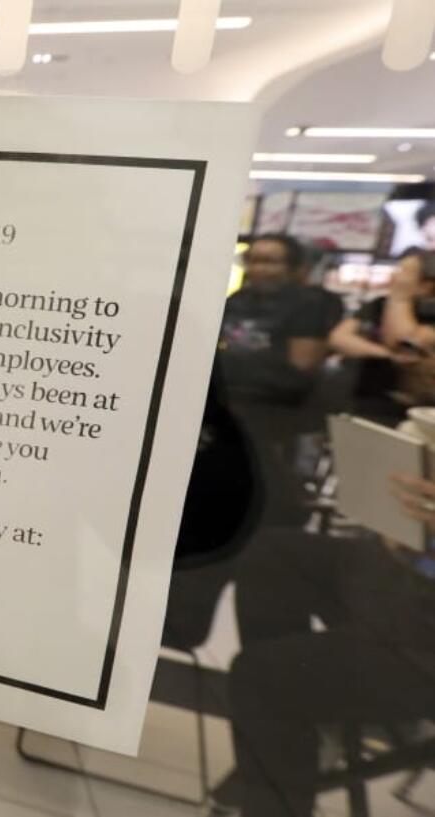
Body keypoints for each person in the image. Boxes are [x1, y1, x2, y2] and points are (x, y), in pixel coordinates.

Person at [217, 474, 435, 816]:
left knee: (259, 678)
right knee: (271, 557)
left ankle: (285, 758)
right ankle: (303, 742)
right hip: (413, 584)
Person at [218, 234, 336, 522]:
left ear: (294, 267)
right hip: (231, 398)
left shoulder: (310, 303)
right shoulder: (236, 300)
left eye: (270, 261)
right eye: (254, 260)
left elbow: (301, 367)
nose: (259, 268)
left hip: (280, 408)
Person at [329, 250, 435, 423]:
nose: (396, 277)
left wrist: (400, 297)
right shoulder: (379, 304)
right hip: (368, 398)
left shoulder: (411, 306)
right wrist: (384, 353)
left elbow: (403, 340)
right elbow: (339, 338)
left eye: (405, 274)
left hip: (416, 412)